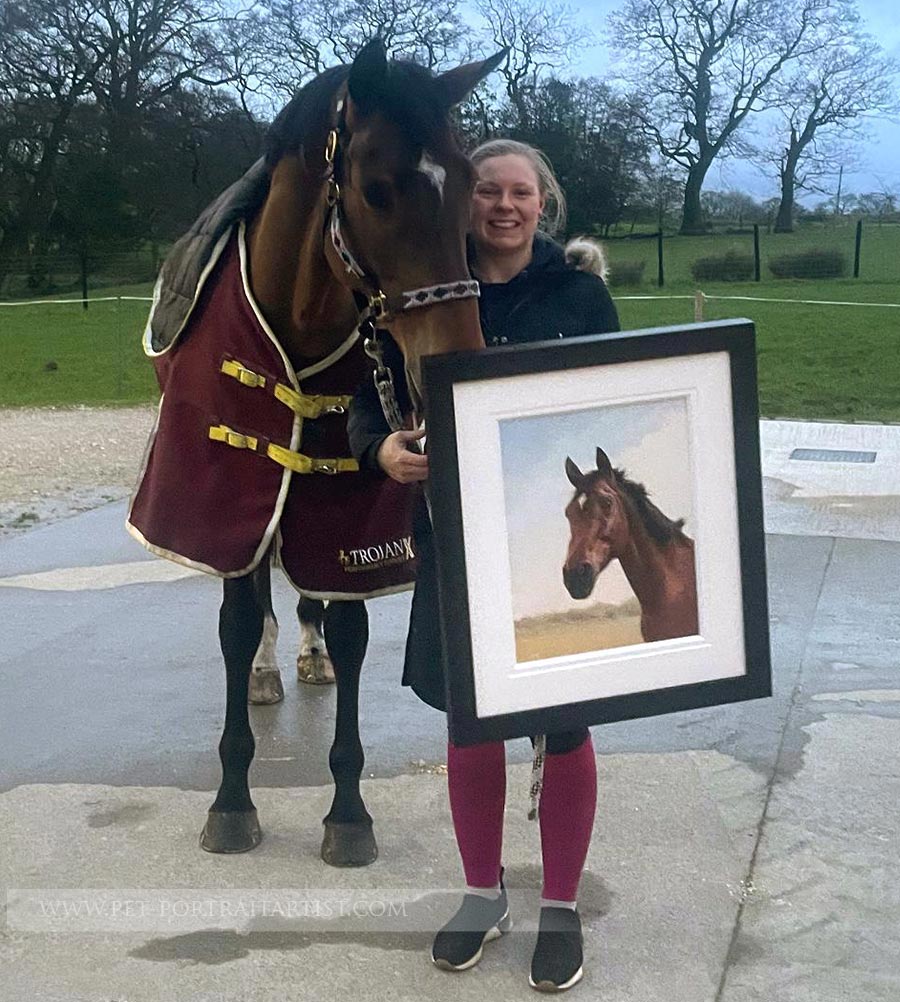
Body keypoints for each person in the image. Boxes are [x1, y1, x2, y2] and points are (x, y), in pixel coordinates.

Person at [348, 138, 620, 992]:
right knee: (471, 725)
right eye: (489, 193)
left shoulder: (580, 295)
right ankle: (481, 893)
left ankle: (562, 907)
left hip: (552, 554)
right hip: (453, 540)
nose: (504, 207)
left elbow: (618, 404)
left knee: (565, 726)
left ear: (545, 204)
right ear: (465, 201)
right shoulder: (417, 287)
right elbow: (367, 397)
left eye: (521, 193)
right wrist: (379, 448)